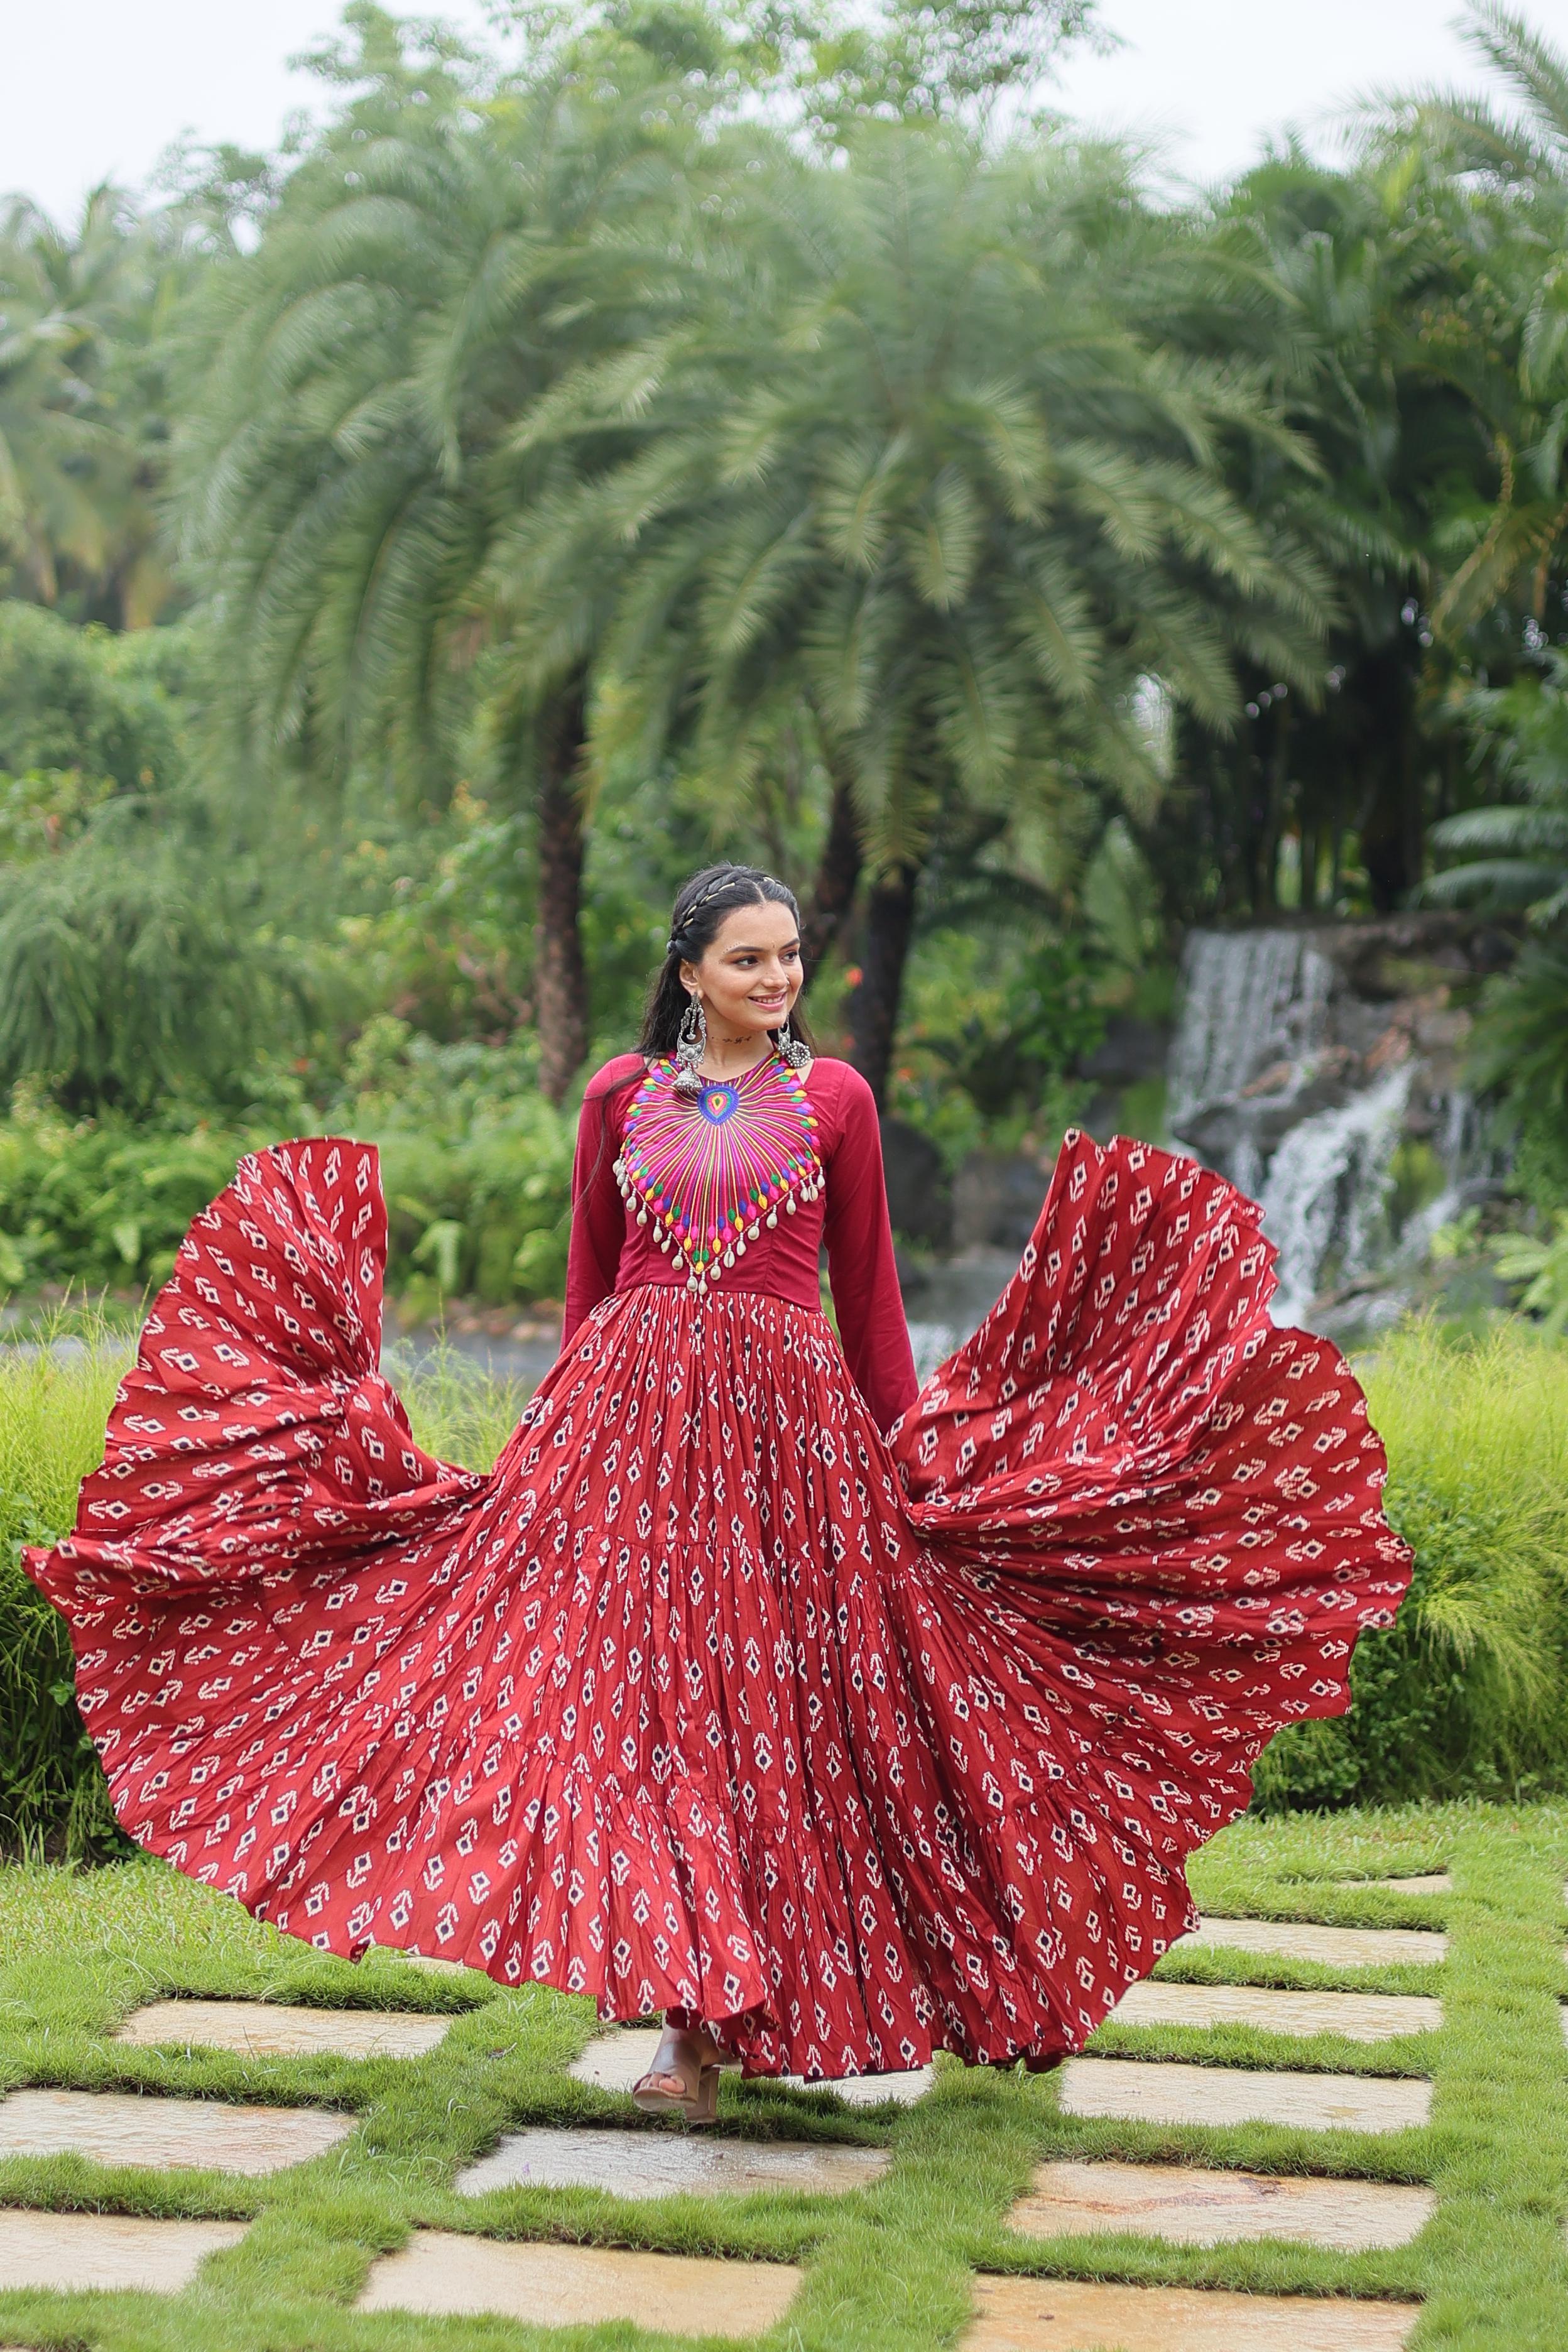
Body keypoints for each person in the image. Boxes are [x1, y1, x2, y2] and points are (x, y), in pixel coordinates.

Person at [28, 861, 1411, 2123]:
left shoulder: (839, 1103)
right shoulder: (616, 1099)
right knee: (654, 1713)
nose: (776, 980)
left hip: (791, 1449)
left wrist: (911, 1450)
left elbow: (869, 1305)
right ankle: (693, 2029)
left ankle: (984, 1970)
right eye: (748, 960)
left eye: (790, 958)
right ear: (689, 972)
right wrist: (546, 1444)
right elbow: (586, 1287)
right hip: (624, 1436)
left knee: (818, 1723)